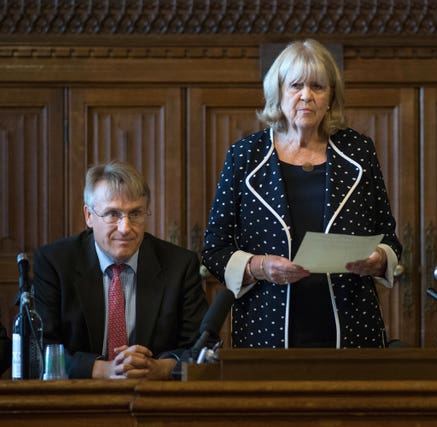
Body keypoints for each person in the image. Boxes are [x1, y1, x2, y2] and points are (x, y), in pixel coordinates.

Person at [202, 39, 402, 349]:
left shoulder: (359, 151)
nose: (306, 95)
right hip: (265, 326)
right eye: (295, 85)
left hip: (351, 324)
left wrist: (378, 260)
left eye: (318, 86)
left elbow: (388, 238)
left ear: (331, 96)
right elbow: (214, 249)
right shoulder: (245, 156)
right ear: (278, 92)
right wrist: (259, 267)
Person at [33, 161, 208, 379]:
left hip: (155, 398)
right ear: (89, 216)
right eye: (112, 214)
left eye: (135, 214)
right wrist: (101, 369)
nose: (125, 228)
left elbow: (202, 347)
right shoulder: (54, 263)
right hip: (78, 397)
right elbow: (38, 348)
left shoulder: (179, 265)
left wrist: (159, 367)